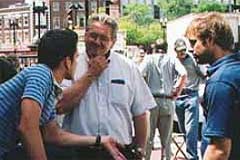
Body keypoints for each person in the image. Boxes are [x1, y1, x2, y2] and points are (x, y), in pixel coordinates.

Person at [0, 29, 125, 160]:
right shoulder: (41, 74)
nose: (77, 62)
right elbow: (27, 126)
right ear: (67, 61)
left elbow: (52, 135)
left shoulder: (49, 87)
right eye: (76, 57)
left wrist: (100, 140)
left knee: (65, 154)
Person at [57, 13, 156, 160]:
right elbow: (61, 106)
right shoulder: (70, 65)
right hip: (79, 152)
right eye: (93, 35)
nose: (97, 41)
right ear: (85, 35)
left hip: (119, 151)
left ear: (113, 41)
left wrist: (140, 150)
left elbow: (140, 112)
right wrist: (90, 75)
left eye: (103, 38)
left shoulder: (128, 67)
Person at [187, 12, 240, 160]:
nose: (191, 49)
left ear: (209, 40)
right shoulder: (234, 72)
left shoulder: (221, 82)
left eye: (193, 42)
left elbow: (219, 149)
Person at [139, 42, 187, 160]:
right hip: (167, 100)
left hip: (151, 100)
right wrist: (177, 90)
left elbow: (139, 74)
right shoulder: (172, 59)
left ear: (154, 48)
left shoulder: (148, 59)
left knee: (148, 139)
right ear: (166, 48)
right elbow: (183, 74)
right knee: (166, 140)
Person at [174, 38, 206, 160]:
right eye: (179, 51)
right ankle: (189, 154)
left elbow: (202, 74)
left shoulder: (192, 59)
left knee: (191, 129)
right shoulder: (173, 61)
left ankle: (192, 157)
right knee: (183, 130)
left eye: (184, 50)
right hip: (178, 97)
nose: (182, 53)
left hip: (191, 95)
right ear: (175, 51)